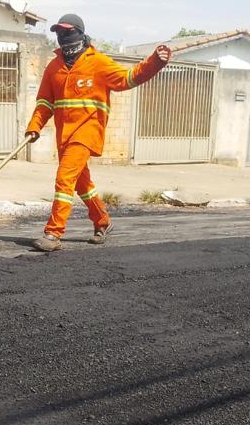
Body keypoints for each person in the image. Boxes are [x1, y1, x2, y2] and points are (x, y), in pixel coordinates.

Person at [25, 14, 171, 252]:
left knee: (64, 179)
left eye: (67, 32)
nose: (63, 37)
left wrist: (155, 62)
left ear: (80, 33)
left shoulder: (99, 62)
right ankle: (103, 221)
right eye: (59, 33)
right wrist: (34, 126)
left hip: (87, 132)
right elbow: (45, 102)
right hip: (65, 135)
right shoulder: (54, 68)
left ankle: (53, 233)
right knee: (82, 185)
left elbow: (128, 78)